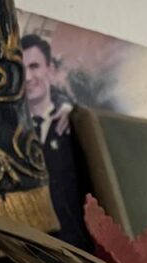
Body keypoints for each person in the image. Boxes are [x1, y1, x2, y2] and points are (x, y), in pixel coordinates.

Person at [21, 34, 92, 249]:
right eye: (21, 69)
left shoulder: (75, 125)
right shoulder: (11, 133)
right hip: (29, 251)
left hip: (76, 249)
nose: (27, 77)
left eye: (34, 66)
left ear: (50, 69)